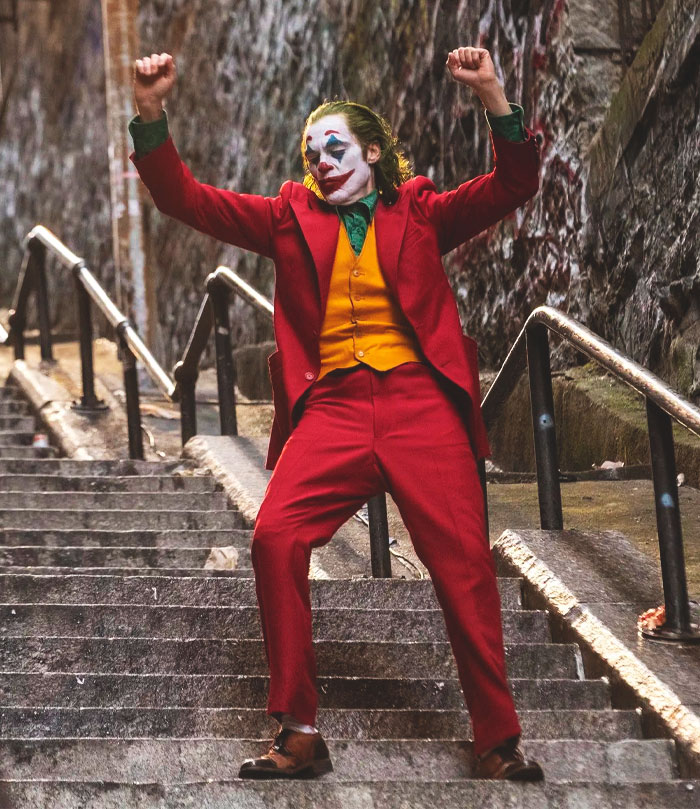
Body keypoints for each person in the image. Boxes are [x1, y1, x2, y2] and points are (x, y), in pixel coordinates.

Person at [129, 45, 543, 782]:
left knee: (465, 564)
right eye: (311, 152)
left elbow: (512, 183)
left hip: (422, 404)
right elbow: (185, 199)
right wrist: (152, 115)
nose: (320, 160)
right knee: (276, 536)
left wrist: (493, 93)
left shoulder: (417, 208)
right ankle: (301, 730)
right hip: (334, 408)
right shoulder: (288, 215)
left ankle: (497, 736)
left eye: (335, 147)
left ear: (373, 152)